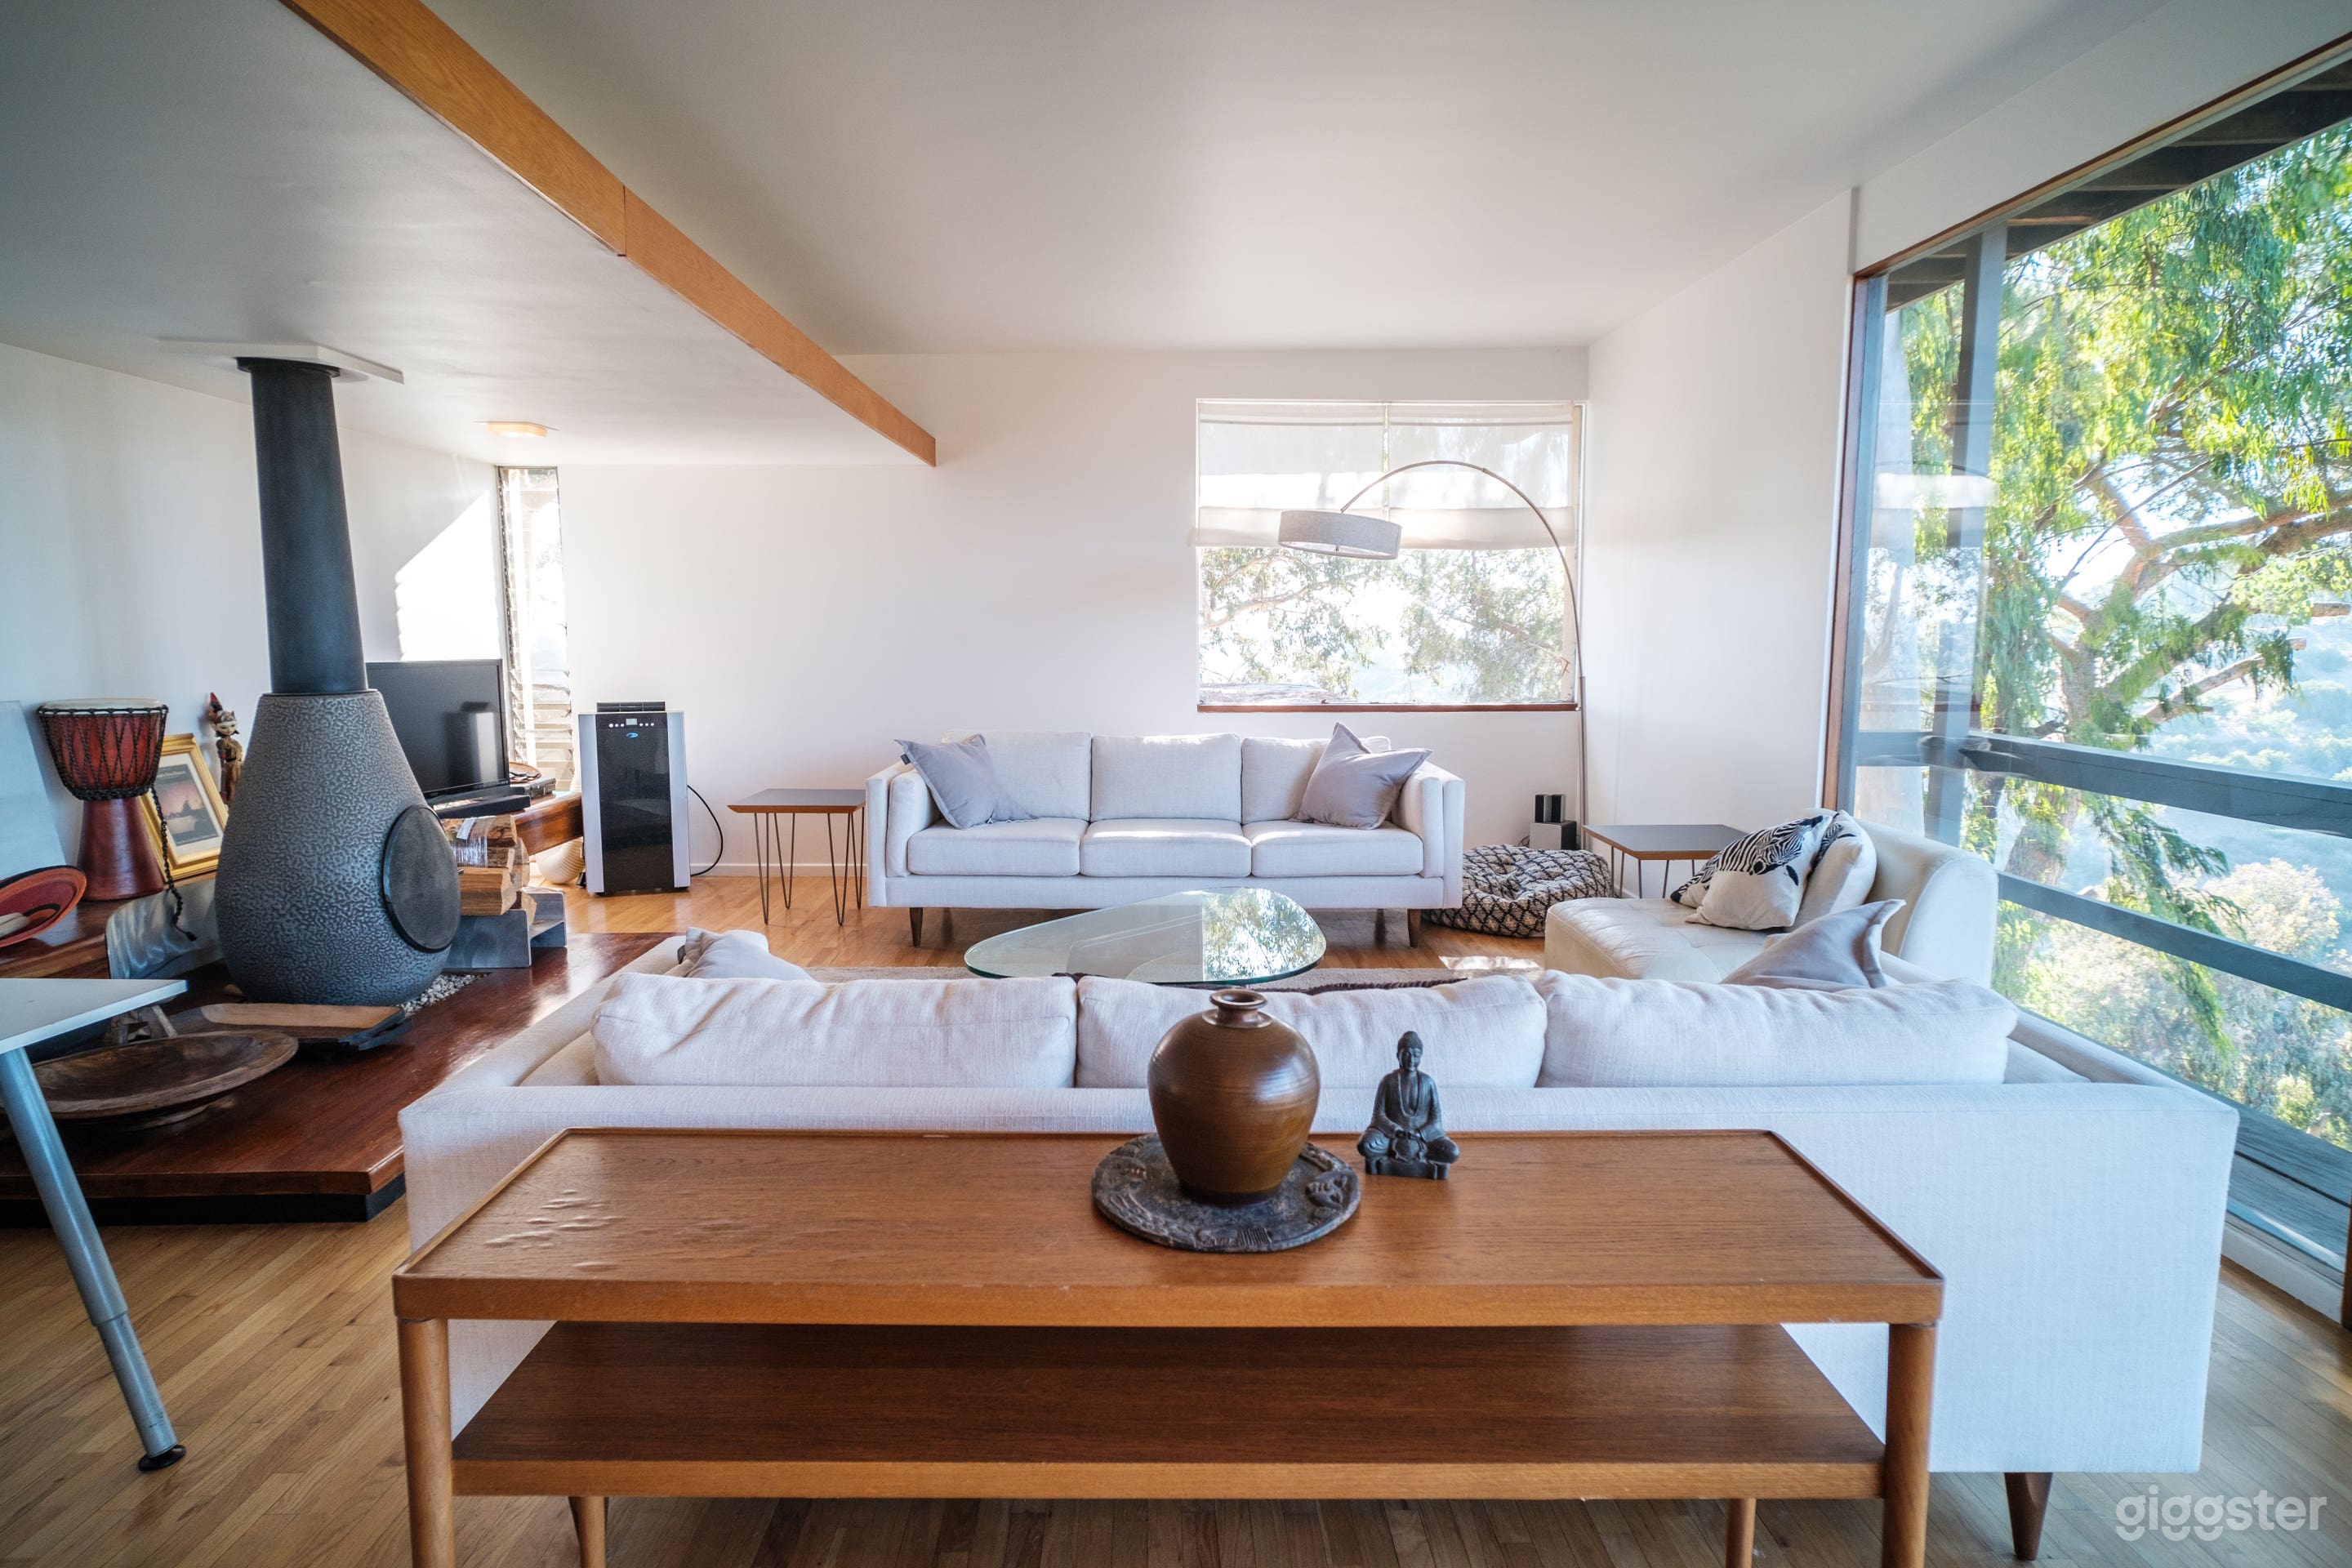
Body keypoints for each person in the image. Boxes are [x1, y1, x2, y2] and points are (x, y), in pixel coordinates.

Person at [1357, 1031, 1459, 1178]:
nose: (1411, 1059)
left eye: (1416, 1055)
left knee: (1452, 1152)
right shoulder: (1388, 1081)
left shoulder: (1428, 1082)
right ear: (1398, 1055)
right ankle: (1386, 1160)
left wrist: (1419, 1133)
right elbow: (1379, 1116)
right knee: (1365, 1145)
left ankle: (1423, 1159)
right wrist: (1396, 1129)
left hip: (1422, 1138)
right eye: (1406, 1054)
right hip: (1391, 1136)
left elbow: (1436, 1120)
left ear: (1421, 1056)